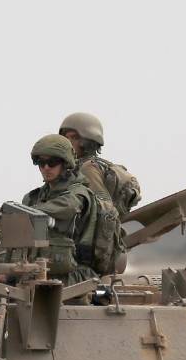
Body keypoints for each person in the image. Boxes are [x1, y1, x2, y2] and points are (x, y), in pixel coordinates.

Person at [1, 134, 98, 285]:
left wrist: (19, 213)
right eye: (41, 163)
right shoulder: (33, 198)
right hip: (36, 274)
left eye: (52, 162)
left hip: (75, 278)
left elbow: (66, 206)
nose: (46, 168)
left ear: (65, 164)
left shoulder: (78, 194)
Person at [58, 113, 141, 275]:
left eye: (73, 138)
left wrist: (94, 256)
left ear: (87, 141)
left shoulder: (88, 168)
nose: (67, 143)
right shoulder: (77, 168)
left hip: (91, 255)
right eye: (65, 138)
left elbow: (103, 212)